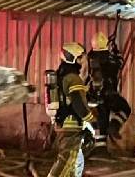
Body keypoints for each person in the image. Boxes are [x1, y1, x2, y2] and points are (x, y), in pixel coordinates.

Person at [47, 42, 93, 177]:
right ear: (74, 58)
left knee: (74, 163)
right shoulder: (73, 78)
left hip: (63, 123)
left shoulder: (61, 75)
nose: (83, 61)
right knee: (66, 161)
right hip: (71, 126)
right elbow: (78, 103)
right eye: (81, 58)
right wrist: (92, 122)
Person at [85, 33, 131, 150]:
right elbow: (119, 62)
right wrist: (115, 50)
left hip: (94, 97)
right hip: (109, 95)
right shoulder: (109, 58)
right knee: (125, 108)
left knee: (102, 121)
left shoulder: (90, 57)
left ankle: (101, 149)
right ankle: (115, 126)